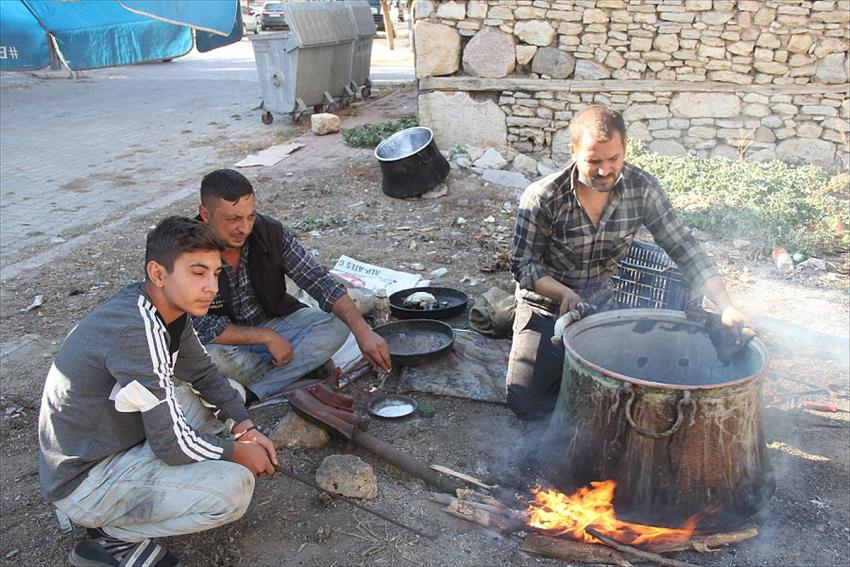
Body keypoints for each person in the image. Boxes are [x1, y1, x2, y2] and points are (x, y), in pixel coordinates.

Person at [38, 216, 278, 567]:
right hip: (83, 479)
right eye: (198, 273)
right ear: (158, 273)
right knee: (234, 488)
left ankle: (133, 502)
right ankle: (115, 536)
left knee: (229, 396)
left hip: (114, 441)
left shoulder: (168, 311)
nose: (211, 286)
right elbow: (171, 445)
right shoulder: (137, 329)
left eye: (214, 274)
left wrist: (246, 429)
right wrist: (237, 453)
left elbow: (204, 375)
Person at [507, 105, 752, 419]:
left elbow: (684, 248)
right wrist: (563, 294)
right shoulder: (543, 197)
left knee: (622, 395)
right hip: (544, 307)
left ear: (625, 150)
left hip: (600, 306)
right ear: (573, 151)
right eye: (593, 161)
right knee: (525, 404)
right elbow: (523, 265)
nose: (605, 171)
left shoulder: (641, 189)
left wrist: (726, 305)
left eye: (614, 159)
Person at [193, 169, 391, 405]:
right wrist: (266, 338)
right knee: (207, 359)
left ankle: (255, 391)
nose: (245, 228)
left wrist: (363, 332)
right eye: (233, 219)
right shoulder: (186, 250)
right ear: (205, 214)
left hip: (275, 324)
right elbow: (200, 327)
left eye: (251, 216)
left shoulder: (269, 233)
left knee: (339, 326)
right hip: (225, 343)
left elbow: (318, 281)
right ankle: (293, 369)